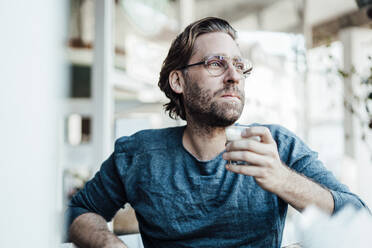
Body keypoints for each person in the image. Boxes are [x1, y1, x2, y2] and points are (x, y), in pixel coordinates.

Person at [67, 17, 368, 248]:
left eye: (238, 65)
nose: (234, 76)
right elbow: (79, 211)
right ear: (178, 81)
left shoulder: (276, 147)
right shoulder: (138, 154)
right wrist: (110, 244)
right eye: (216, 63)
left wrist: (281, 178)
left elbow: (358, 217)